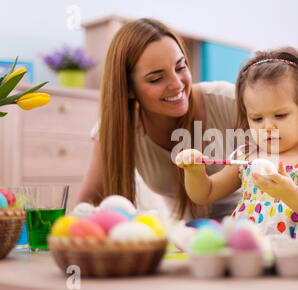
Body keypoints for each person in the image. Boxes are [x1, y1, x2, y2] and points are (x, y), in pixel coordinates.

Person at [77, 18, 241, 221]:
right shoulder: (115, 130)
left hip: (254, 228)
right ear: (128, 88)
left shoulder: (229, 101)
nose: (176, 84)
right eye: (156, 78)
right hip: (191, 238)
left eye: (180, 67)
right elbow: (85, 208)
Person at [175, 47, 298, 238]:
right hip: (251, 256)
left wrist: (290, 193)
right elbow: (205, 194)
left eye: (280, 115)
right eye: (257, 119)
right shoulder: (247, 159)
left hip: (294, 259)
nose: (267, 127)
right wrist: (194, 171)